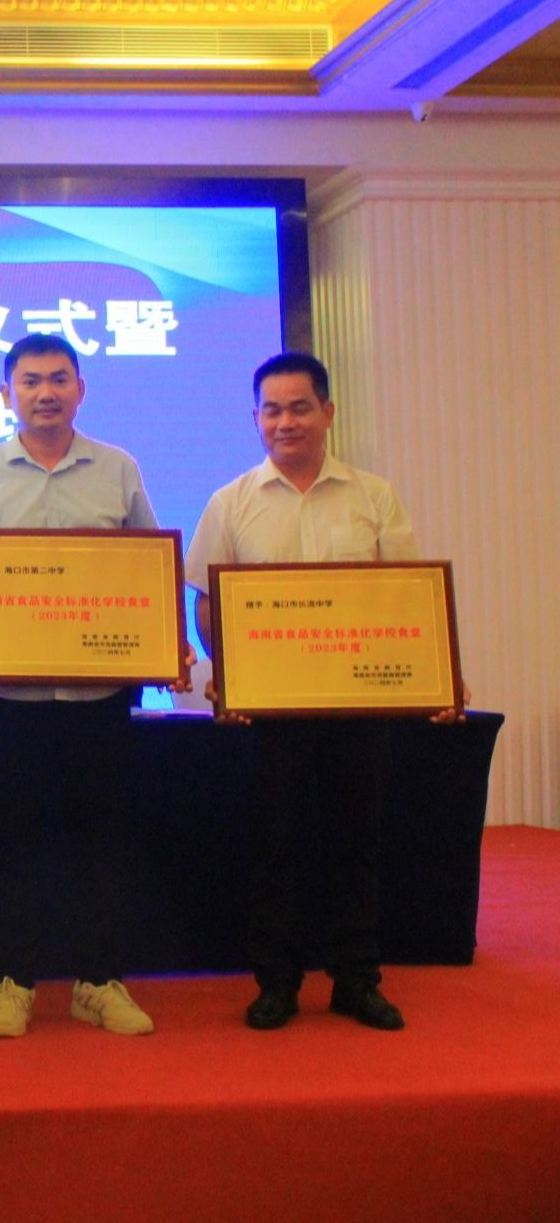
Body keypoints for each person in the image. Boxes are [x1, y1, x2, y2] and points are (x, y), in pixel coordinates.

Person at [186, 352, 464, 1033]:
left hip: (355, 706)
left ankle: (355, 980)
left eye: (299, 407)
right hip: (271, 710)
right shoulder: (230, 502)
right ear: (256, 419)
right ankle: (277, 983)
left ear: (328, 412)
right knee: (275, 846)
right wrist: (230, 672)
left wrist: (436, 672)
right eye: (272, 410)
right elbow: (208, 603)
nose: (286, 422)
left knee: (355, 842)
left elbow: (407, 594)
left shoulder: (373, 496)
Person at [0, 332, 189, 1040]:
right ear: (6, 392)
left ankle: (99, 982)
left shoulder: (118, 468)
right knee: (14, 842)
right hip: (12, 700)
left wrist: (170, 644)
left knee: (102, 841)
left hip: (99, 699)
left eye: (59, 379)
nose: (46, 392)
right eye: (31, 380)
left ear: (81, 389)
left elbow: (149, 567)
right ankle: (13, 981)